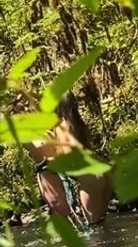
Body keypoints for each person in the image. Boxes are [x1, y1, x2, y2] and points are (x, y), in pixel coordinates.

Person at [16, 92, 113, 226]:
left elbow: (69, 157)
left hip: (84, 179)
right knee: (100, 225)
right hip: (101, 174)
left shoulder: (60, 127)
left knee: (93, 231)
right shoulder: (76, 124)